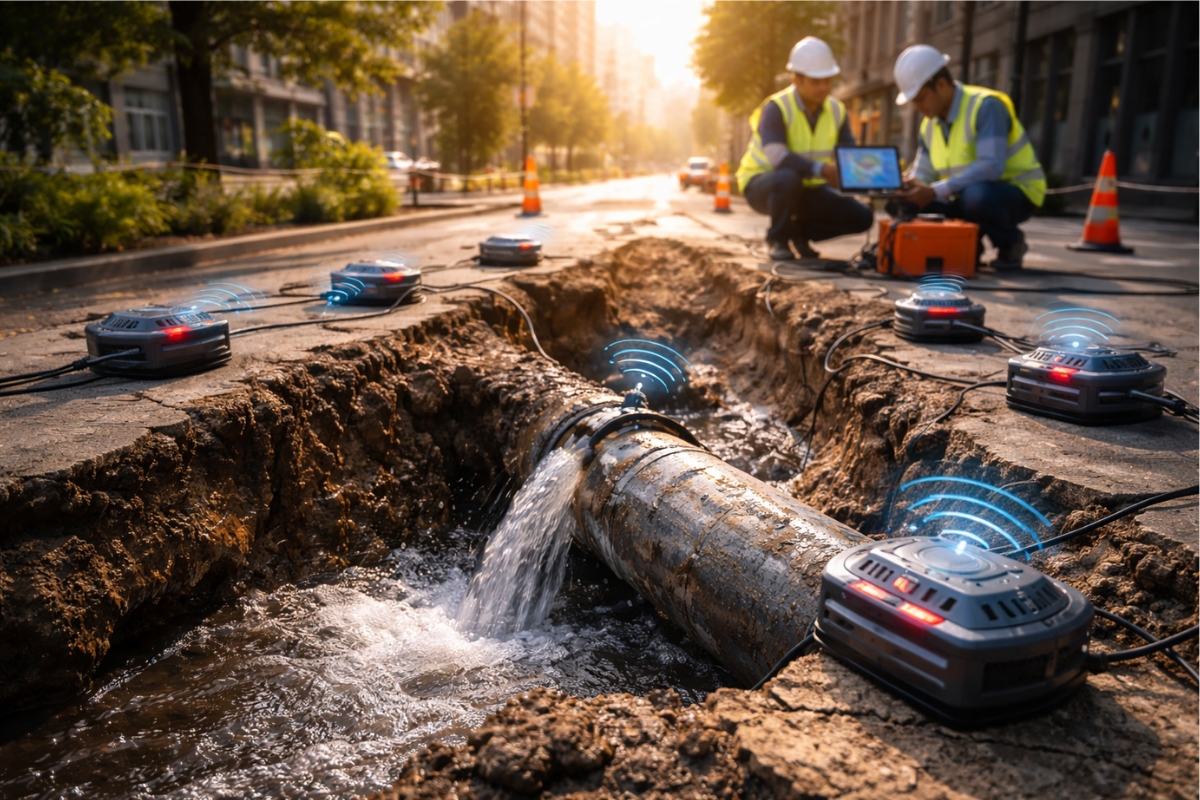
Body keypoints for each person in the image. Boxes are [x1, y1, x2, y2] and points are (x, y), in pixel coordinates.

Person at [892, 45, 1046, 270]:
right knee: (902, 203)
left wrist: (934, 190)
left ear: (941, 85)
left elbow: (991, 167)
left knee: (977, 198)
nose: (917, 107)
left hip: (1013, 193)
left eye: (920, 99)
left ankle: (1010, 243)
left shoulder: (986, 106)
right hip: (964, 195)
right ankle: (967, 247)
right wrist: (910, 185)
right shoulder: (929, 125)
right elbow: (923, 171)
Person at [736, 37, 874, 262]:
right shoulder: (776, 108)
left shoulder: (837, 110)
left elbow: (851, 158)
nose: (823, 87)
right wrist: (823, 171)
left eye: (827, 81)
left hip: (807, 189)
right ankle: (778, 239)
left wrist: (881, 180)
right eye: (815, 81)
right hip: (762, 185)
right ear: (796, 80)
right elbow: (777, 157)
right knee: (787, 177)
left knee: (862, 216)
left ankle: (799, 233)